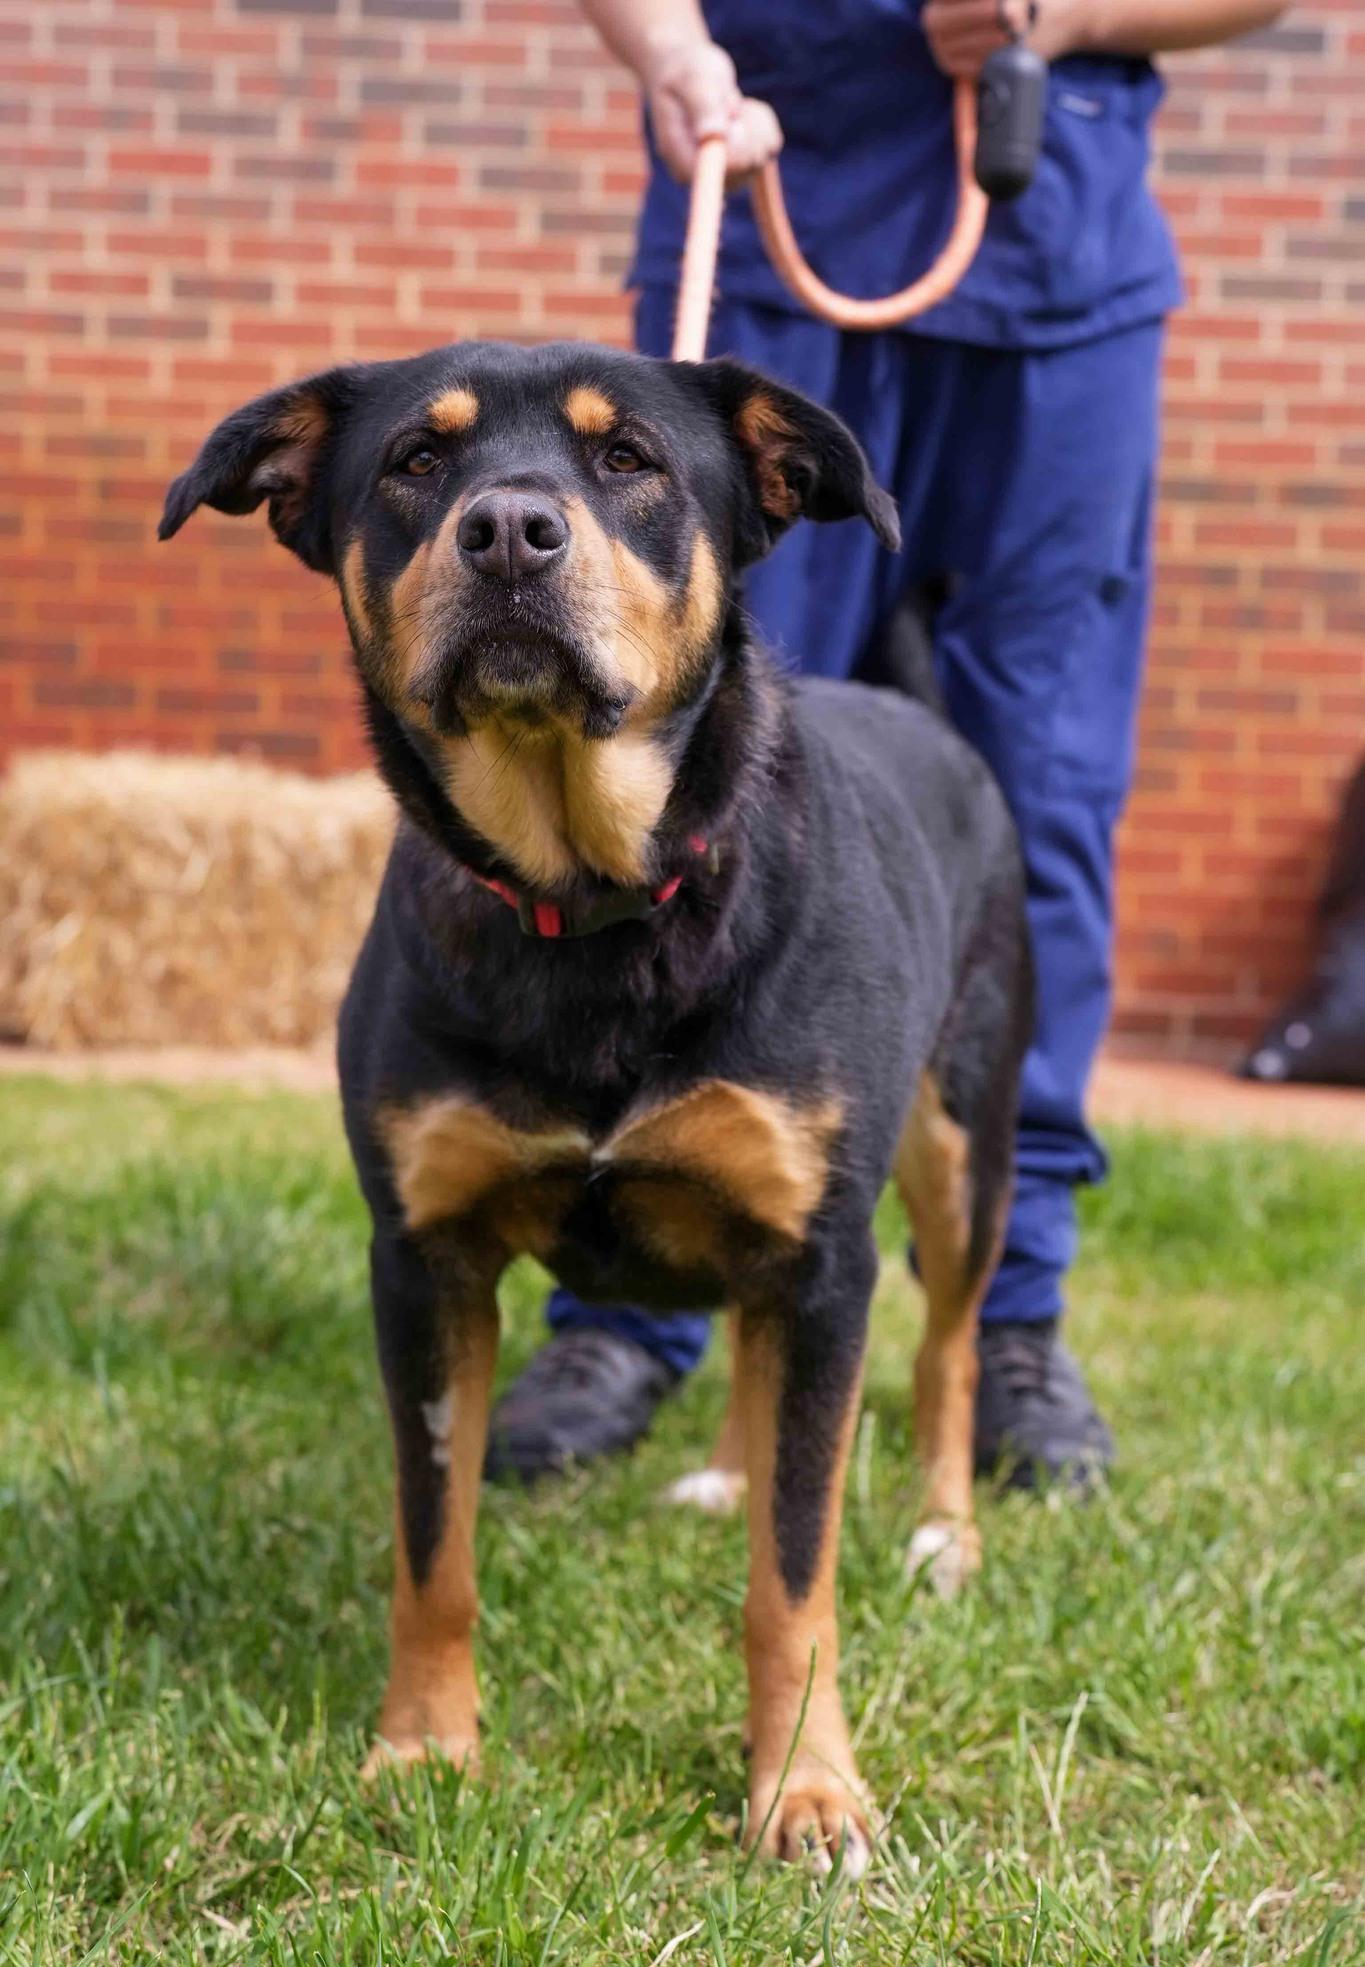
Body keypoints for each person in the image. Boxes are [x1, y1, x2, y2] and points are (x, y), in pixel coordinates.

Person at [484, 0, 1291, 1488]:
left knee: (1036, 800)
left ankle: (1009, 1306)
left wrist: (1076, 14)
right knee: (675, 782)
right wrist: (669, 55)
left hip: (1052, 250)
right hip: (768, 207)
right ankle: (622, 1303)